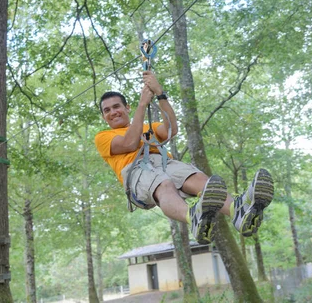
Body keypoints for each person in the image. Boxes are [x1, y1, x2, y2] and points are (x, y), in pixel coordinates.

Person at [95, 71, 275, 244]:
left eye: (116, 106)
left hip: (163, 161)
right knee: (163, 183)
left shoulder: (148, 126)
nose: (113, 112)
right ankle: (193, 217)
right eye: (107, 110)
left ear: (126, 107)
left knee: (197, 178)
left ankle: (237, 211)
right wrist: (142, 104)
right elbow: (129, 143)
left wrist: (160, 94)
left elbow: (171, 129)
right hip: (136, 172)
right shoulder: (103, 137)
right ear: (104, 117)